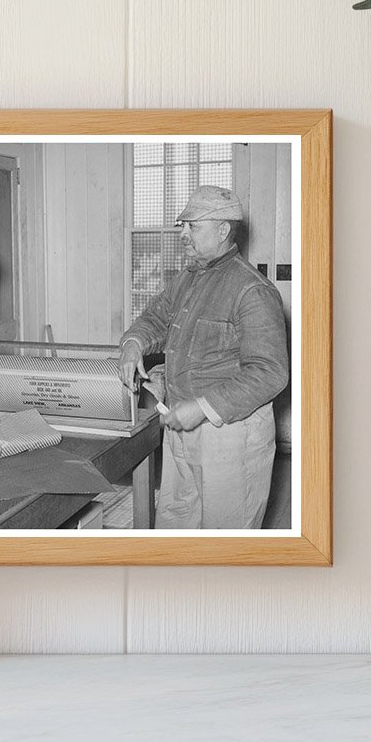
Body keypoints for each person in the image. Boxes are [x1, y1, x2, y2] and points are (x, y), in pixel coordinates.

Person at [118, 185, 289, 529]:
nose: (183, 234)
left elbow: (270, 373)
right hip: (181, 427)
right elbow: (155, 317)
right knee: (176, 525)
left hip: (230, 434)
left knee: (225, 541)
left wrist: (201, 407)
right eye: (183, 225)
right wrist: (134, 342)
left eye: (192, 226)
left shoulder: (252, 290)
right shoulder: (188, 277)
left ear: (223, 230)